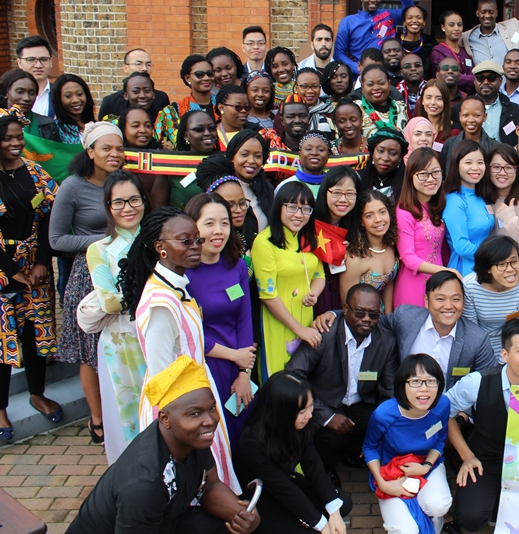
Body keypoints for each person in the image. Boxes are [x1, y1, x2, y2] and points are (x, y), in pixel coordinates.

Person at [66, 356, 260, 534]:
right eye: (194, 413)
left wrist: (240, 513)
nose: (209, 420)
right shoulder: (144, 483)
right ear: (165, 419)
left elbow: (210, 484)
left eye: (211, 409)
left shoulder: (188, 437)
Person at [119, 207, 239, 491]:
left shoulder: (176, 287)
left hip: (194, 399)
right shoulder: (161, 303)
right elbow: (163, 376)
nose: (196, 246)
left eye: (197, 239)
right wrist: (192, 422)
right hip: (180, 410)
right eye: (185, 241)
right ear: (160, 247)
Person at [52, 122, 125, 445]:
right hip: (89, 274)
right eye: (106, 148)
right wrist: (105, 240)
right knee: (89, 352)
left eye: (119, 148)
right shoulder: (72, 186)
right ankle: (97, 420)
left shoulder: (124, 183)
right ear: (90, 151)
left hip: (125, 272)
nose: (114, 154)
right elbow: (56, 239)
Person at [447, 319, 519, 532]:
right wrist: (466, 456)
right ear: (505, 355)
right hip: (486, 459)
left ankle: (503, 504)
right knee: (470, 517)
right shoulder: (478, 382)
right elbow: (445, 413)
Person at [287, 283, 398, 476]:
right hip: (325, 402)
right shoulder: (324, 333)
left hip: (362, 401)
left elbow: (388, 391)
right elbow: (293, 374)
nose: (366, 319)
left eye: (373, 314)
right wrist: (327, 416)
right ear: (345, 309)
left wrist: (383, 426)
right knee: (329, 436)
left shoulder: (386, 341)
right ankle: (326, 472)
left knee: (384, 422)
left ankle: (354, 452)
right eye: (360, 312)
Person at [0, 107, 60, 442]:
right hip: (2, 269)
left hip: (36, 264)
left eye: (17, 137)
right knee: (3, 339)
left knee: (35, 334)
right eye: (6, 138)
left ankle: (37, 393)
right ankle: (1, 409)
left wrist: (39, 262)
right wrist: (12, 270)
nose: (13, 143)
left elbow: (51, 213)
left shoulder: (34, 171)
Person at [236, 371, 351, 534]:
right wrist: (321, 524)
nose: (309, 415)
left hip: (288, 482)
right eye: (302, 411)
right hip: (263, 495)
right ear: (281, 411)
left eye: (311, 406)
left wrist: (333, 511)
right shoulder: (253, 441)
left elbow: (314, 465)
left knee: (342, 503)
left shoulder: (301, 426)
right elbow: (282, 488)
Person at [184, 194, 255, 453]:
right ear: (193, 226)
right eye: (209, 223)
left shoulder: (236, 265)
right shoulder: (182, 274)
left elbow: (244, 319)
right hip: (204, 366)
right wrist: (235, 356)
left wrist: (244, 372)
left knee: (241, 436)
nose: (219, 231)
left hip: (238, 367)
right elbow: (189, 333)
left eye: (224, 223)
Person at [86, 170, 147, 462]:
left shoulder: (159, 240)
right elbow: (109, 302)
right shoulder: (99, 250)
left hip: (157, 336)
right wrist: (150, 294)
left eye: (134, 199)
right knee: (127, 420)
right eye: (118, 202)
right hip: (120, 344)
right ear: (108, 207)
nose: (128, 208)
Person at [363, 354, 452, 534]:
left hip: (427, 464)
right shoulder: (384, 414)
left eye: (431, 381)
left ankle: (428, 516)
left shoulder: (442, 405)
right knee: (406, 531)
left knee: (438, 505)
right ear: (402, 385)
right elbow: (369, 448)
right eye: (416, 382)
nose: (424, 389)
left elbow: (441, 439)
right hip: (393, 471)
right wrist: (383, 484)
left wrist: (426, 466)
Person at [251, 182, 326, 381]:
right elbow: (267, 294)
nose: (299, 214)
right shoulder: (264, 242)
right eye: (292, 207)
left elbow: (319, 276)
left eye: (305, 208)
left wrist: (314, 294)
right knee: (279, 379)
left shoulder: (308, 238)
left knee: (302, 377)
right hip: (278, 322)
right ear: (279, 207)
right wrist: (299, 330)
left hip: (306, 320)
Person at [383, 272, 495, 389]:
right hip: (405, 403)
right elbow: (377, 329)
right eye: (440, 299)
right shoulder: (405, 317)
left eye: (456, 299)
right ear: (427, 301)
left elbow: (488, 383)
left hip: (452, 404)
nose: (448, 306)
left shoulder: (477, 339)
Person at [463, 236, 519, 361]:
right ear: (488, 268)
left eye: (514, 262)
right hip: (480, 347)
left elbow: (515, 328)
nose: (510, 270)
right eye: (501, 265)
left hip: (510, 345)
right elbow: (472, 332)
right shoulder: (469, 287)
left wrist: (504, 362)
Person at [395, 148, 451, 308]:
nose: (431, 179)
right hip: (413, 284)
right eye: (423, 174)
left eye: (435, 172)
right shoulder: (405, 211)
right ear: (411, 176)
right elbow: (408, 257)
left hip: (438, 283)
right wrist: (444, 271)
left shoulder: (437, 206)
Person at [312, 166, 361, 319]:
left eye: (350, 194)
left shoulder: (359, 227)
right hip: (312, 297)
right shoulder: (309, 223)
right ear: (325, 191)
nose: (343, 200)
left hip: (343, 298)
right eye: (337, 192)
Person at [335, 0, 415, 75]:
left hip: (388, 74)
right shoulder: (348, 22)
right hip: (360, 77)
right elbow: (338, 53)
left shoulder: (388, 15)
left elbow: (411, 12)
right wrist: (358, 69)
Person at [442, 139, 494, 276]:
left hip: (486, 269)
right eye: (468, 162)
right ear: (456, 165)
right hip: (466, 271)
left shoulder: (481, 196)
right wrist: (495, 257)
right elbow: (462, 247)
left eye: (480, 162)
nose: (475, 167)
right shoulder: (454, 200)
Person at [342, 189, 398, 310]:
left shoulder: (391, 247)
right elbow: (347, 305)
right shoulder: (354, 257)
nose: (378, 219)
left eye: (382, 212)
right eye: (369, 215)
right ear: (361, 221)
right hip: (361, 321)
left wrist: (387, 322)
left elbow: (388, 285)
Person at [194, 154, 259, 250]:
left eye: (242, 203)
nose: (239, 210)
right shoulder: (206, 243)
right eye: (230, 205)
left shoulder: (250, 223)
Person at [155, 54, 215, 147]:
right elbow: (157, 143)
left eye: (210, 73)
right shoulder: (172, 112)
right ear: (187, 78)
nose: (206, 78)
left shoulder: (224, 105)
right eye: (199, 74)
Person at [97, 49, 171, 121]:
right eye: (138, 64)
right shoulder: (110, 102)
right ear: (126, 68)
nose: (144, 68)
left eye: (148, 64)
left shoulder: (161, 98)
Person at [225, 129, 274, 234]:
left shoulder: (267, 189)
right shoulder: (222, 189)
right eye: (244, 154)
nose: (251, 161)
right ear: (232, 156)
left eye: (257, 156)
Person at [171, 109, 219, 208]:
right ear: (186, 135)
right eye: (199, 129)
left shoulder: (223, 162)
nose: (207, 133)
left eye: (211, 128)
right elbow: (158, 206)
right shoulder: (170, 163)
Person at [439, 96, 497, 174]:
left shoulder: (494, 147)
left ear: (485, 116)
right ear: (460, 116)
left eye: (477, 115)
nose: (470, 120)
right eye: (465, 115)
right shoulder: (449, 144)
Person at [472, 60, 519, 146]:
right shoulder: (460, 108)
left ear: (500, 80)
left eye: (491, 78)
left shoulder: (516, 111)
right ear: (474, 81)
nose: (486, 82)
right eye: (480, 78)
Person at [0, 69, 58, 141]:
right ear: (6, 93)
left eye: (32, 93)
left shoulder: (48, 125)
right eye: (20, 92)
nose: (27, 98)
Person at [356, 64, 407, 138]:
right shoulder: (356, 110)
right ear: (363, 88)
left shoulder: (401, 107)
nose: (376, 87)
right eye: (370, 84)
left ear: (389, 84)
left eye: (381, 83)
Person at [275, 131, 331, 197]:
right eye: (308, 149)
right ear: (300, 155)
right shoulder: (285, 186)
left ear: (328, 156)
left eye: (321, 150)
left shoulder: (334, 187)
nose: (314, 153)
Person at [430, 10, 474, 93]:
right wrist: (475, 79)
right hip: (446, 96)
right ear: (443, 27)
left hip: (467, 98)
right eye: (451, 25)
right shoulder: (438, 51)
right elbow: (448, 77)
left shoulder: (465, 51)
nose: (456, 28)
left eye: (459, 25)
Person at [358, 128, 407, 200]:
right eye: (380, 151)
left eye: (393, 153)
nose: (385, 158)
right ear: (372, 153)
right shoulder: (357, 178)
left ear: (400, 157)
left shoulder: (408, 183)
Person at [15, 35, 54, 118]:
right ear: (19, 63)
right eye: (31, 60)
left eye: (44, 59)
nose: (38, 65)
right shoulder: (8, 96)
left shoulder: (61, 94)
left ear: (51, 62)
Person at [51, 73, 96, 143]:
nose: (75, 100)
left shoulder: (96, 126)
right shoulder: (54, 130)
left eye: (79, 94)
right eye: (68, 96)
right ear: (59, 99)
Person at [414, 81, 457, 147]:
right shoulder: (414, 127)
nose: (433, 102)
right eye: (428, 97)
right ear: (422, 100)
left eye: (439, 98)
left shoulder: (455, 131)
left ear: (445, 102)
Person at [397, 6, 434, 81]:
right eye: (410, 18)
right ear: (404, 21)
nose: (414, 20)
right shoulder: (396, 41)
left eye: (418, 18)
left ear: (424, 21)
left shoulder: (431, 42)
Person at [214, 85, 250, 152]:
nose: (244, 111)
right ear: (221, 107)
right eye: (238, 107)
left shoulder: (258, 132)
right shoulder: (209, 135)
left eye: (247, 107)